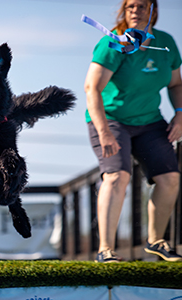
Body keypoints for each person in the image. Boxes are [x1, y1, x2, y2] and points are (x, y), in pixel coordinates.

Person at [84, 0, 182, 262]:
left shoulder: (166, 43)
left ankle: (156, 241)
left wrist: (180, 116)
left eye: (141, 6)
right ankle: (105, 249)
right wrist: (103, 131)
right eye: (130, 7)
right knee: (117, 176)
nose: (135, 11)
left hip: (149, 120)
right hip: (110, 118)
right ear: (124, 11)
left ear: (153, 11)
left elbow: (175, 84)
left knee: (170, 178)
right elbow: (91, 88)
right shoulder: (113, 44)